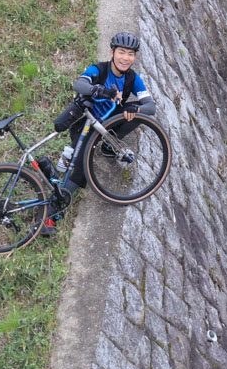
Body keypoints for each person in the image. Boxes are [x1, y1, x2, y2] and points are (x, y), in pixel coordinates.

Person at [44, 32, 156, 236]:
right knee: (79, 174)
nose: (125, 58)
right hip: (84, 124)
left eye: (130, 54)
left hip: (106, 125)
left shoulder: (132, 78)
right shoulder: (99, 69)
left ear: (134, 57)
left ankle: (108, 146)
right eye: (121, 52)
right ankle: (48, 218)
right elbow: (80, 85)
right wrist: (104, 92)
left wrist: (135, 110)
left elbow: (150, 106)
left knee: (135, 112)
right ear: (112, 53)